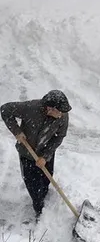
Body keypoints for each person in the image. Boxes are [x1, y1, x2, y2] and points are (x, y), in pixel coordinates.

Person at [1, 90, 71, 219]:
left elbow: (59, 137)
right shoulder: (30, 108)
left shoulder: (63, 115)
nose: (61, 115)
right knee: (33, 185)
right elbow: (5, 109)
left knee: (46, 179)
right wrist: (17, 131)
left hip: (46, 151)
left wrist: (45, 156)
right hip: (27, 153)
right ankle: (39, 210)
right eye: (59, 111)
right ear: (50, 108)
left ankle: (43, 197)